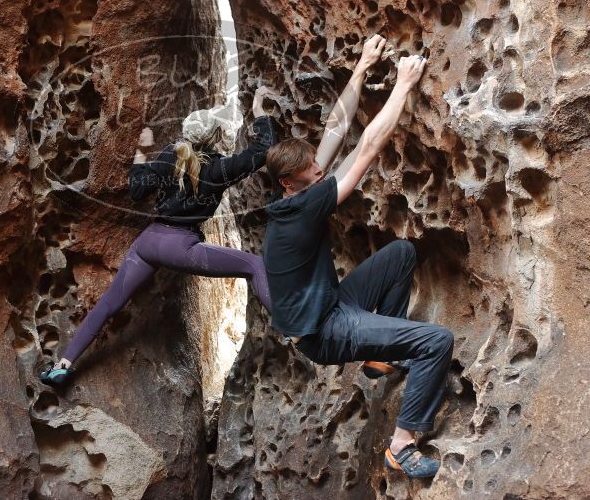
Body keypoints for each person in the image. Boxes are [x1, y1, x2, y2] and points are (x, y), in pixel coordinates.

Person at [263, 51, 453, 479]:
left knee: (400, 253)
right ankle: (402, 447)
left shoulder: (294, 196)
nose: (320, 168)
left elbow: (334, 131)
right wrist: (403, 84)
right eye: (312, 169)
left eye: (315, 163)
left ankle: (380, 356)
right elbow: (366, 146)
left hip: (331, 305)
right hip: (324, 332)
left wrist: (361, 68)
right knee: (436, 341)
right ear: (288, 183)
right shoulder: (305, 207)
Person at [41, 86, 278, 385]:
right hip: (182, 247)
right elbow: (263, 151)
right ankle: (290, 326)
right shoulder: (220, 169)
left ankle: (62, 365)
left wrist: (141, 150)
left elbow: (138, 188)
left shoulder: (170, 157)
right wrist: (258, 110)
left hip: (149, 242)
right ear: (216, 138)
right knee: (255, 265)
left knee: (109, 303)